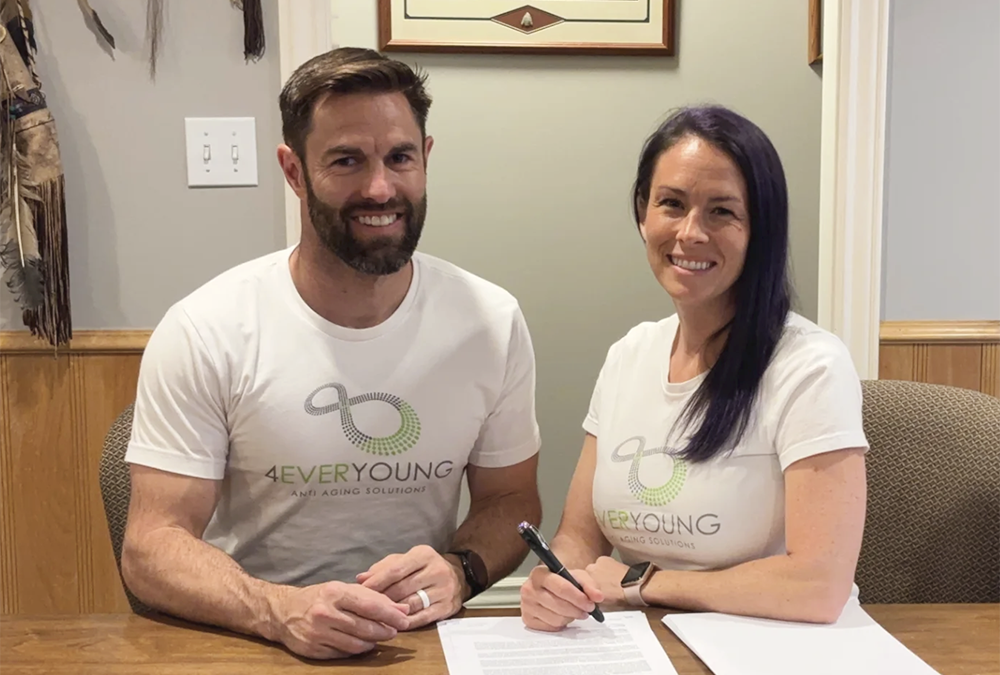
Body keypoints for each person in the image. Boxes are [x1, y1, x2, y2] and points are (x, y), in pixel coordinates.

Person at [121, 47, 542, 661]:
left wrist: (460, 570)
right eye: (347, 160)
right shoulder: (207, 328)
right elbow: (151, 544)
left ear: (425, 159)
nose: (380, 188)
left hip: (420, 643)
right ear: (294, 171)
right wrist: (275, 609)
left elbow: (512, 501)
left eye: (400, 158)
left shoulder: (491, 322)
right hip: (257, 639)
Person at [520, 105, 868, 631]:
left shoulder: (811, 366)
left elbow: (818, 587)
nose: (690, 233)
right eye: (672, 204)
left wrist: (643, 583)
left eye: (721, 211)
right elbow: (580, 538)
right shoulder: (628, 355)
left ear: (761, 228)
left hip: (777, 649)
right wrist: (556, 583)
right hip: (642, 645)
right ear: (643, 212)